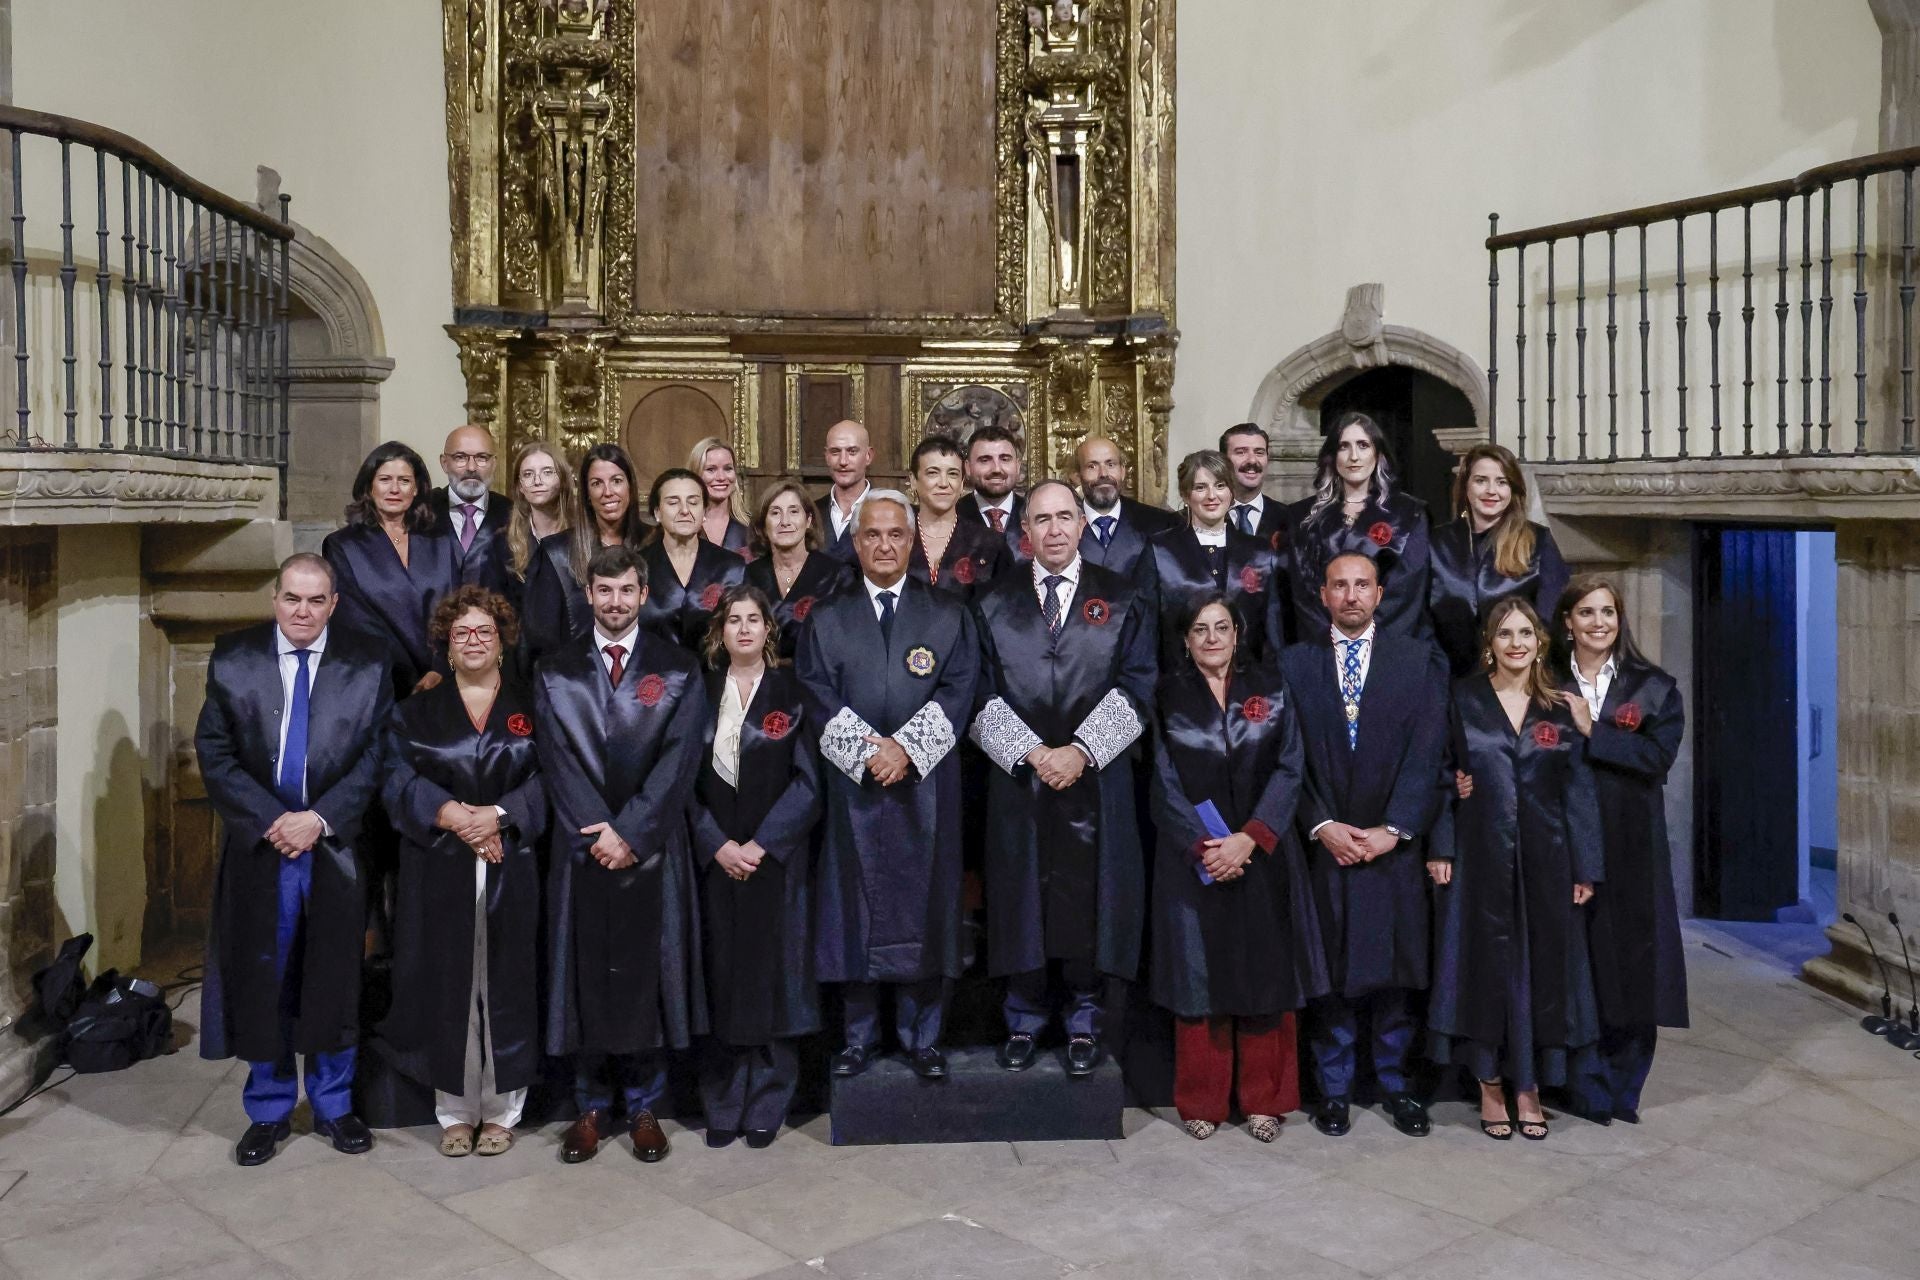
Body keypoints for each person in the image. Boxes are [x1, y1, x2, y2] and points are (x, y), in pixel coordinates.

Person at [196, 553, 393, 1167]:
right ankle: (270, 1108)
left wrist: (320, 819)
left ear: (333, 603)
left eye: (315, 601)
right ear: (274, 598)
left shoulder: (368, 660)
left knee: (333, 976)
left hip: (332, 845)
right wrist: (271, 820)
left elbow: (378, 755)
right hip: (264, 849)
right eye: (291, 599)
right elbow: (215, 750)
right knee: (266, 976)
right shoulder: (234, 657)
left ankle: (334, 1105)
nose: (302, 612)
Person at [969, 480, 1155, 1076]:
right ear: (1025, 531)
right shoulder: (992, 601)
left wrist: (1081, 751)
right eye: (1041, 519)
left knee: (1088, 900)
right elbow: (976, 691)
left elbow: (1140, 684)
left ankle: (1083, 1019)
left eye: (1063, 518)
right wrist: (1030, 753)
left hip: (1095, 783)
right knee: (1020, 896)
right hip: (1019, 781)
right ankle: (1023, 1019)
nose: (1053, 530)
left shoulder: (1122, 598)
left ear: (1081, 524)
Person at [533, 545, 709, 1163]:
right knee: (583, 976)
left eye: (626, 591)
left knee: (647, 980)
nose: (615, 602)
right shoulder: (555, 669)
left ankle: (644, 1104)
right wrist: (596, 830)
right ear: (589, 593)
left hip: (651, 849)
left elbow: (681, 760)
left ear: (643, 593)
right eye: (604, 591)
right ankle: (588, 1105)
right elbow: (554, 760)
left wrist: (632, 833)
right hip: (582, 851)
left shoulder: (679, 667)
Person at [796, 492, 980, 1079]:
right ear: (856, 544)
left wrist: (906, 751)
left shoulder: (948, 613)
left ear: (911, 540)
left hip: (924, 789)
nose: (883, 545)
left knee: (924, 906)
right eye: (872, 535)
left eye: (896, 534)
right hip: (853, 792)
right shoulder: (827, 617)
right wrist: (869, 754)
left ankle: (921, 1038)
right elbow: (816, 693)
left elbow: (960, 690)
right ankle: (857, 1039)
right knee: (853, 909)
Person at [1279, 550, 1447, 1140]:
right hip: (1327, 843)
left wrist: (1394, 828)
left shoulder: (1418, 660)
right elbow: (1285, 758)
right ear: (1322, 595)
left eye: (1362, 585)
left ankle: (1397, 1086)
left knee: (1394, 975)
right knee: (1332, 974)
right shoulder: (1292, 664)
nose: (1351, 595)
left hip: (1390, 845)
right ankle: (1332, 1090)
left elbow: (1430, 752)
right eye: (1339, 586)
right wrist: (1322, 825)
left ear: (1379, 594)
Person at [1150, 596, 1327, 1141]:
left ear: (1237, 632)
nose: (1211, 638)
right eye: (1199, 629)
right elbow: (1162, 780)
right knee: (1199, 977)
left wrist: (1250, 840)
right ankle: (1202, 1099)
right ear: (1184, 639)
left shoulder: (1271, 688)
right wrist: (1207, 847)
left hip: (1263, 857)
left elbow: (1290, 766)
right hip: (1195, 861)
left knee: (1265, 975)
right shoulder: (1166, 694)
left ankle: (1264, 1101)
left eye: (1221, 627)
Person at [378, 586, 546, 1158]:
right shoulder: (415, 710)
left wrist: (499, 817)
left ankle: (502, 1112)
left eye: (485, 632)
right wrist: (451, 816)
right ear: (447, 647)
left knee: (506, 986)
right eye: (462, 634)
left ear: (502, 643)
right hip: (439, 866)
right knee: (446, 984)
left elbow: (555, 776)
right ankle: (453, 1111)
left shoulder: (533, 705)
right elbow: (395, 777)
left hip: (512, 865)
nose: (474, 641)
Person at [1428, 598, 1603, 1141]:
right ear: (1489, 642)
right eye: (1505, 634)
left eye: (1526, 633)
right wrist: (1441, 846)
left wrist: (1586, 865)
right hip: (1480, 858)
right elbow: (1440, 773)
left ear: (1542, 642)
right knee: (1484, 969)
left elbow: (1578, 788)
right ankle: (1489, 1084)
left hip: (1547, 861)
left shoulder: (1558, 707)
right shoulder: (1462, 699)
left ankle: (1530, 1087)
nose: (1516, 643)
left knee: (1540, 973)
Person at [687, 586, 821, 1149]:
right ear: (719, 633)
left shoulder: (793, 695)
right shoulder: (697, 693)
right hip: (717, 860)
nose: (744, 629)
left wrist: (763, 844)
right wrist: (716, 843)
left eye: (754, 620)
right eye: (733, 620)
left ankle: (768, 1100)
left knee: (774, 979)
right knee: (719, 977)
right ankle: (722, 1101)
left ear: (770, 630)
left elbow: (810, 781)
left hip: (773, 862)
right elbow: (680, 780)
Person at [1554, 575, 1686, 1125]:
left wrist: (1593, 731)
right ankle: (1579, 1085)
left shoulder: (1653, 686)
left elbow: (1656, 759)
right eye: (1586, 613)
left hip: (1632, 843)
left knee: (1633, 963)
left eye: (1607, 612)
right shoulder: (1543, 681)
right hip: (1561, 838)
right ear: (1567, 622)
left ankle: (1623, 1087)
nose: (1599, 623)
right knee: (1576, 962)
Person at [322, 442, 458, 699]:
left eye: (404, 480)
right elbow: (356, 620)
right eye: (385, 479)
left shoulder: (442, 541)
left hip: (441, 682)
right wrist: (411, 677)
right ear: (369, 486)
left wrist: (441, 668)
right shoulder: (343, 545)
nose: (394, 489)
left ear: (416, 488)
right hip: (379, 683)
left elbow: (458, 607)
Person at [1283, 412, 1431, 643]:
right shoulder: (1302, 516)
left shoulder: (1408, 513)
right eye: (1344, 446)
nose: (1354, 456)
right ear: (1332, 455)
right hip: (1320, 643)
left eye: (1363, 445)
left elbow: (1406, 592)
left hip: (1388, 643)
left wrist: (1362, 639)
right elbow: (1303, 592)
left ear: (1377, 453)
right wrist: (1333, 638)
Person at [1428, 443, 1569, 678]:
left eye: (1502, 482)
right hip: (1448, 678)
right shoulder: (1437, 541)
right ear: (1465, 486)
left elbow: (1551, 620)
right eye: (1481, 480)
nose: (1491, 491)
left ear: (1513, 490)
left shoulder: (1538, 541)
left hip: (1519, 679)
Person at [1143, 449, 1283, 672]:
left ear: (1231, 491)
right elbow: (1146, 633)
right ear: (1186, 494)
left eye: (1220, 485)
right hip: (1178, 685)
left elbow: (1273, 632)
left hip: (1247, 684)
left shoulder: (1259, 552)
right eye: (1201, 487)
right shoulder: (1160, 550)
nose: (1212, 496)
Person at [521, 442, 651, 669]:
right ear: (587, 494)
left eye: (617, 481)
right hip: (577, 686)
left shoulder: (654, 544)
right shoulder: (556, 554)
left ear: (631, 486)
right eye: (596, 484)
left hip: (646, 684)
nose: (607, 492)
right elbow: (539, 645)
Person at [743, 479, 856, 661]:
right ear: (763, 525)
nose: (785, 521)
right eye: (775, 513)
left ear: (809, 520)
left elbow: (847, 643)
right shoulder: (748, 575)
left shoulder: (836, 575)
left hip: (817, 681)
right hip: (761, 680)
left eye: (794, 512)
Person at [639, 467, 747, 654]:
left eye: (693, 502)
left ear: (704, 511)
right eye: (673, 503)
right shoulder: (637, 567)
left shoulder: (732, 567)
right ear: (657, 512)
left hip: (716, 676)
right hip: (654, 677)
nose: (685, 510)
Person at [907, 435, 1011, 602]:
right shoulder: (895, 538)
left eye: (953, 474)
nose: (943, 483)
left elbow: (1003, 611)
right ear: (913, 480)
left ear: (962, 482)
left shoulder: (989, 544)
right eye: (933, 473)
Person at [1075, 435, 1179, 575]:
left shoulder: (1161, 524)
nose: (1103, 474)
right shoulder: (1062, 527)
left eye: (1111, 464)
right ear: (1077, 475)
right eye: (1092, 466)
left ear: (1123, 471)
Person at [433, 425, 515, 601]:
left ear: (494, 463)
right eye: (460, 457)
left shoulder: (513, 515)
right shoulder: (423, 512)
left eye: (482, 458)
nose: (471, 467)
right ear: (444, 463)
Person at [504, 441, 579, 586]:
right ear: (520, 486)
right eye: (528, 474)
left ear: (562, 479)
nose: (537, 481)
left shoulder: (583, 535)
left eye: (547, 472)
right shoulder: (504, 542)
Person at [956, 423, 1026, 559]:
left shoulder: (1034, 515)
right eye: (985, 460)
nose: (996, 469)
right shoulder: (953, 516)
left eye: (1005, 459)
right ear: (968, 468)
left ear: (1017, 466)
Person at [815, 419, 874, 562]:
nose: (843, 461)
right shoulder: (810, 512)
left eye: (852, 451)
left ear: (868, 456)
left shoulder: (889, 511)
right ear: (826, 457)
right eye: (835, 452)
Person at [1219, 423, 1286, 544]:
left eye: (1259, 452)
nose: (1252, 460)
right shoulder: (1200, 517)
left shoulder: (1288, 517)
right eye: (1241, 452)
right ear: (1223, 460)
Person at [689, 435, 754, 556]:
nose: (721, 477)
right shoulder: (682, 526)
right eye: (711, 469)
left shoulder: (752, 528)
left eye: (728, 469)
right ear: (695, 474)